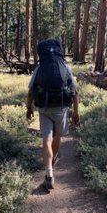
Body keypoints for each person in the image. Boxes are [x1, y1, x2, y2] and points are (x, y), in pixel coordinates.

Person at [26, 39, 80, 191]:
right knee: (57, 137)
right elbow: (75, 92)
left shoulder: (40, 68)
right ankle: (52, 159)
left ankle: (49, 174)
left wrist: (28, 108)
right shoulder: (65, 66)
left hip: (44, 108)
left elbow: (30, 91)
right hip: (61, 108)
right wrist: (76, 112)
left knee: (46, 140)